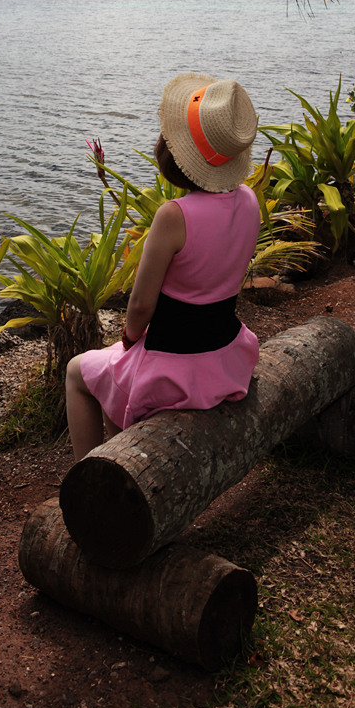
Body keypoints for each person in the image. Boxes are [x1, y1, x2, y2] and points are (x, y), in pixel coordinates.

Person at [66, 72, 262, 461]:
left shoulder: (174, 215)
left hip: (172, 369)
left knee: (77, 372)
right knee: (112, 377)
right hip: (224, 354)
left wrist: (127, 338)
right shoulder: (249, 200)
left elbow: (140, 306)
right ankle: (118, 465)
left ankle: (84, 479)